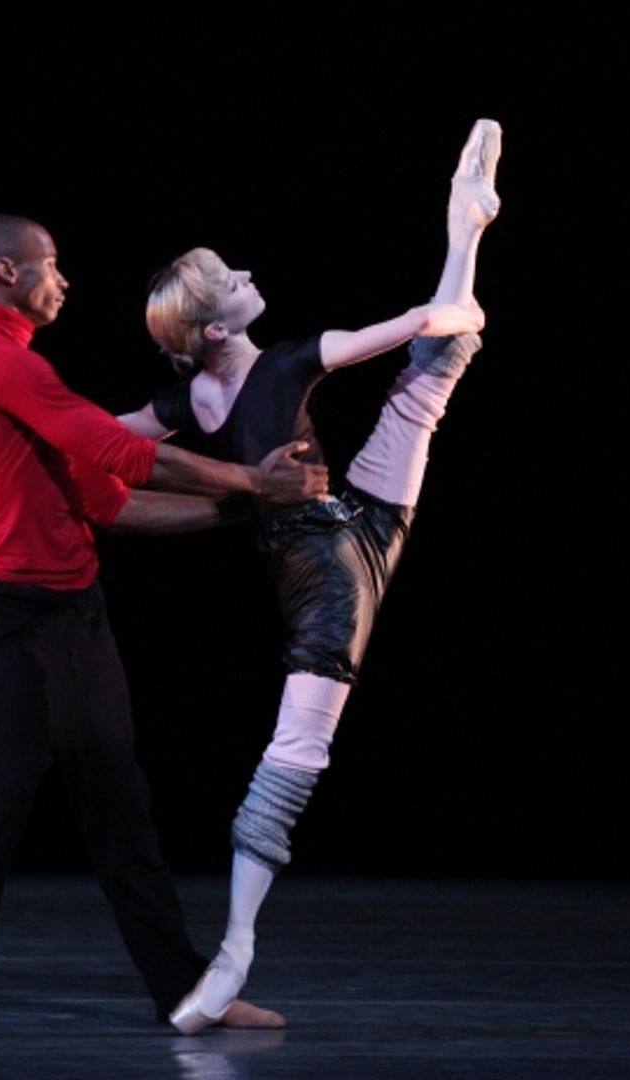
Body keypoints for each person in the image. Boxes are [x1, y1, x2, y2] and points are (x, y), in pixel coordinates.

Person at [0, 212, 331, 1039]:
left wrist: (243, 512)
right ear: (6, 274)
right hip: (4, 616)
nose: (64, 279)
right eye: (51, 265)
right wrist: (251, 479)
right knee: (8, 792)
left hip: (76, 613)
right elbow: (127, 452)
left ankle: (188, 993)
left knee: (120, 802)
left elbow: (113, 503)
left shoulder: (26, 372)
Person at [116, 118, 503, 1033]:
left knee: (431, 381)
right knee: (293, 760)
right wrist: (456, 313)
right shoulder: (287, 357)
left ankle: (468, 226)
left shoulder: (186, 399)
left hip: (349, 523)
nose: (252, 277)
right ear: (217, 324)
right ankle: (236, 949)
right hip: (333, 576)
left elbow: (93, 432)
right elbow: (407, 325)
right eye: (236, 281)